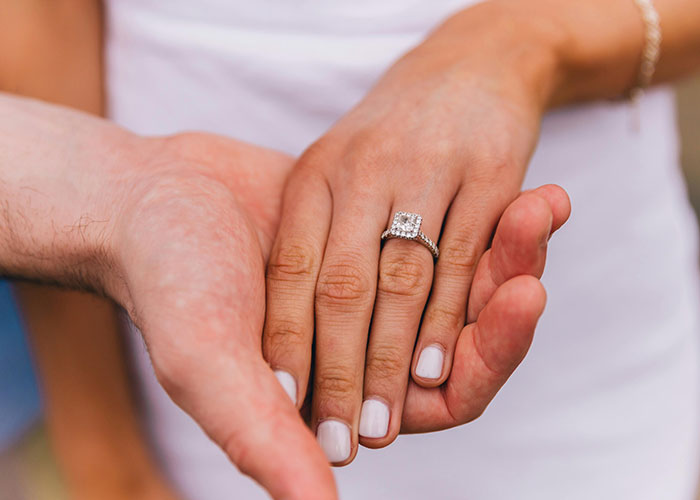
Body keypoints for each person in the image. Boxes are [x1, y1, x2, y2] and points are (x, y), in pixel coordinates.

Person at [1, 1, 699, 500]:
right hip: (187, 341)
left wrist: (521, 39)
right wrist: (104, 456)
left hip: (599, 354)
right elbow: (39, 21)